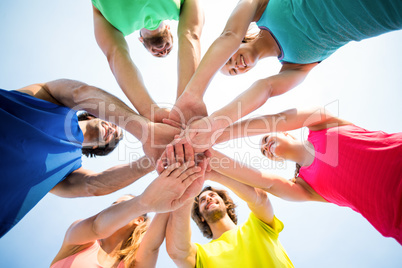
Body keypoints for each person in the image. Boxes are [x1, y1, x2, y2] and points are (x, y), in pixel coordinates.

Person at [167, 0, 402, 144]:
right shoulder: (294, 67)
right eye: (233, 72)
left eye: (226, 60)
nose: (233, 65)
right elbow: (264, 89)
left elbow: (229, 35)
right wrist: (215, 126)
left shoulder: (260, 6)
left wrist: (191, 95)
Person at [0, 79, 181, 238]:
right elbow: (80, 93)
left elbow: (93, 185)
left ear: (98, 147)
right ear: (93, 114)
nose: (114, 129)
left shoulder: (68, 169)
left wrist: (155, 159)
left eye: (114, 137)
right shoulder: (50, 99)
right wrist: (144, 129)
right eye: (114, 124)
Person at [210, 107, 402, 244]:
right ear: (274, 160)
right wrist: (209, 156)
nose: (265, 147)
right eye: (263, 151)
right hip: (396, 215)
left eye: (266, 138)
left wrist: (215, 135)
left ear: (286, 133)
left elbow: (281, 117)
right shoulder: (304, 186)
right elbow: (265, 183)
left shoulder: (321, 125)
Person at [51, 159, 207, 267]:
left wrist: (182, 186)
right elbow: (96, 226)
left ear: (138, 220)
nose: (114, 209)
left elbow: (151, 247)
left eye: (121, 204)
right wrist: (144, 202)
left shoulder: (133, 264)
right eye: (114, 206)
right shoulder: (80, 242)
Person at [164, 143, 293, 268]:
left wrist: (212, 173)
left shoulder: (258, 225)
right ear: (201, 217)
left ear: (226, 204)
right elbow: (177, 252)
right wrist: (189, 188)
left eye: (213, 195)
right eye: (202, 200)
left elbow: (261, 199)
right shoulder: (201, 254)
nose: (208, 198)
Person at [92, 0, 204, 122]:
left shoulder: (110, 22)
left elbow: (115, 54)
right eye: (169, 47)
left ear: (141, 40)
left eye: (157, 53)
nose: (163, 52)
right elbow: (190, 34)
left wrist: (149, 111)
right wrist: (185, 102)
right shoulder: (180, 7)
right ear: (168, 28)